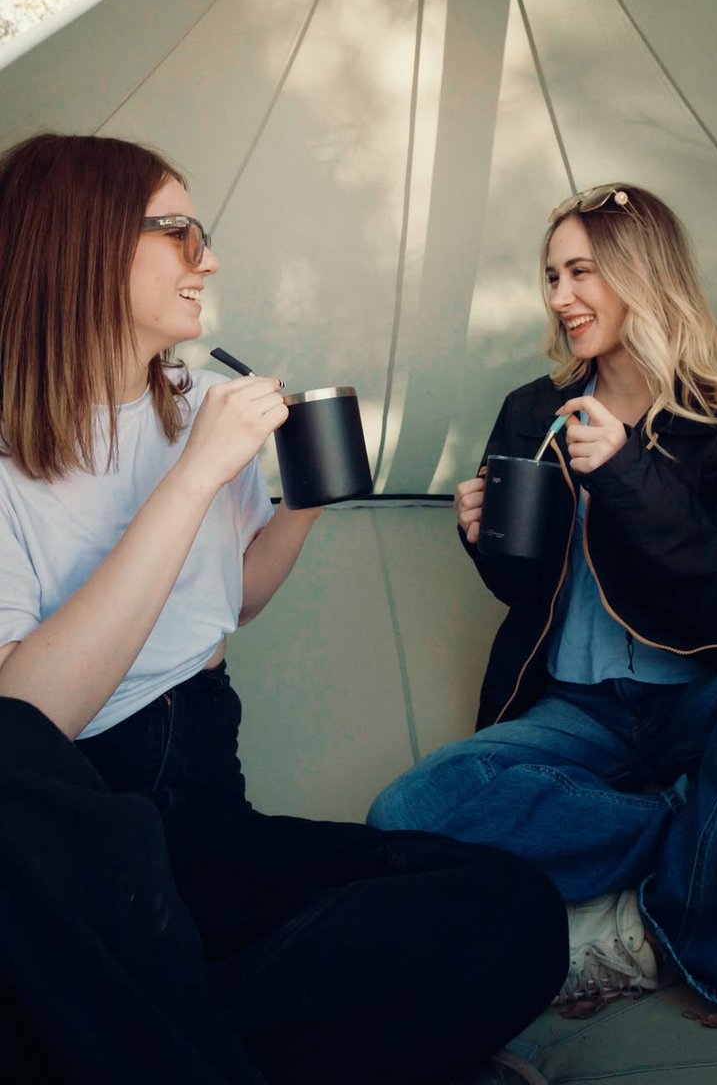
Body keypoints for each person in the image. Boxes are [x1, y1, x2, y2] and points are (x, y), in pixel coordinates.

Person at [0, 132, 569, 1085]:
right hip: (81, 838)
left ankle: (137, 1027)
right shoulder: (17, 453)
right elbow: (23, 724)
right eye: (181, 232)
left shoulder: (200, 403)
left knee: (512, 911)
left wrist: (302, 501)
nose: (210, 260)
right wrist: (191, 481)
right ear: (85, 242)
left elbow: (233, 600)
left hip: (211, 818)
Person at [369, 183, 717, 1020]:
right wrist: (487, 538)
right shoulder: (532, 410)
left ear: (643, 274)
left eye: (581, 272)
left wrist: (626, 474)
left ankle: (657, 922)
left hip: (704, 704)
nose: (560, 297)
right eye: (552, 276)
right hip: (578, 713)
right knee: (410, 811)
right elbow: (525, 593)